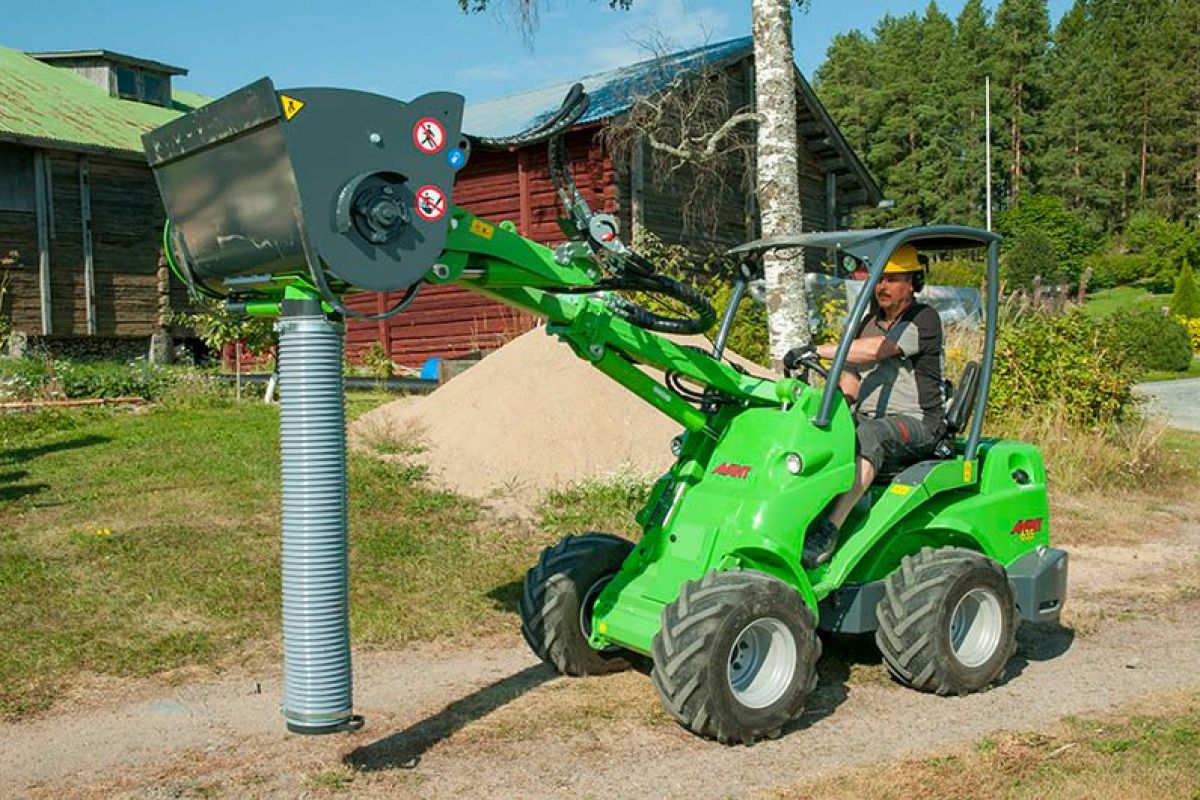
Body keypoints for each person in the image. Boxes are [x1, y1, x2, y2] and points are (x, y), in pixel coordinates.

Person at [798, 243, 946, 568]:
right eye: (880, 278)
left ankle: (828, 530)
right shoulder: (868, 322)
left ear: (912, 282)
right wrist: (830, 413)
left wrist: (815, 349)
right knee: (819, 431)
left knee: (871, 435)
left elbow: (878, 350)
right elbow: (851, 380)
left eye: (893, 278)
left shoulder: (923, 319)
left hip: (918, 423)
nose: (883, 286)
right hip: (868, 417)